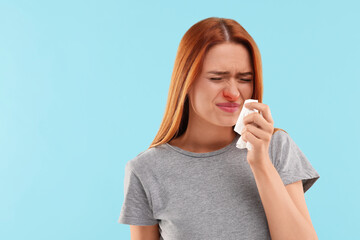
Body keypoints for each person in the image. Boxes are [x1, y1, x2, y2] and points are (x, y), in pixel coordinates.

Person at [118, 17, 320, 240]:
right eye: (216, 78)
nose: (233, 93)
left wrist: (261, 164)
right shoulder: (146, 170)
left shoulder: (276, 147)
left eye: (244, 79)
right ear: (186, 81)